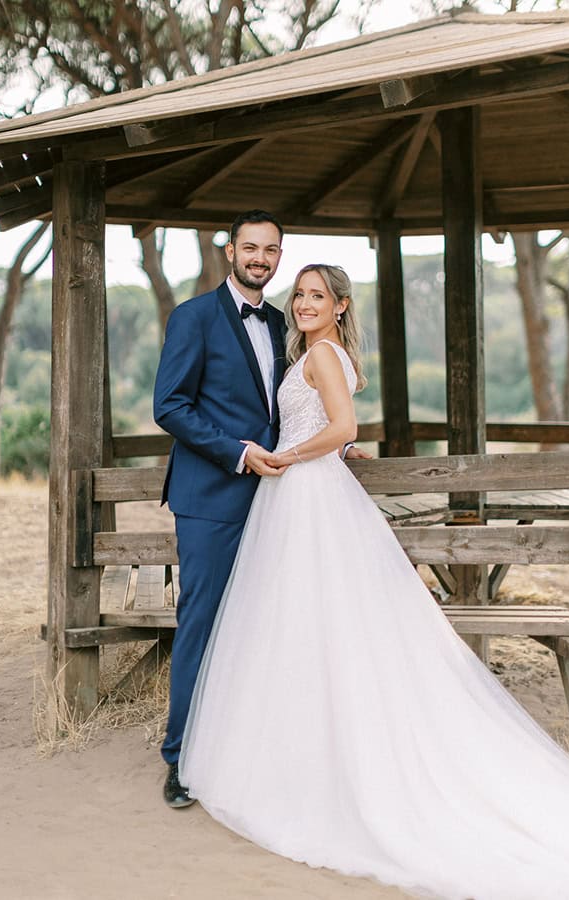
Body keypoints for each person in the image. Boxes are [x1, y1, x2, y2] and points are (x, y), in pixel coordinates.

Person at [179, 263, 569, 900]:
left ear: (339, 306)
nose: (303, 304)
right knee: (302, 629)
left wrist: (294, 454)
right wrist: (322, 449)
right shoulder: (311, 351)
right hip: (300, 495)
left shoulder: (324, 354)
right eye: (299, 294)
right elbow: (332, 430)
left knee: (318, 625)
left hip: (306, 494)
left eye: (316, 296)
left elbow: (342, 427)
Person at [153, 212, 367, 808]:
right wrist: (240, 452)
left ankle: (250, 751)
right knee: (205, 624)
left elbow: (302, 404)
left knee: (268, 628)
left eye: (271, 250)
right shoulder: (193, 317)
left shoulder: (284, 324)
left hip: (281, 504)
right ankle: (181, 760)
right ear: (230, 251)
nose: (261, 258)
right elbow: (169, 405)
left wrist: (341, 440)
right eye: (250, 247)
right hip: (214, 498)